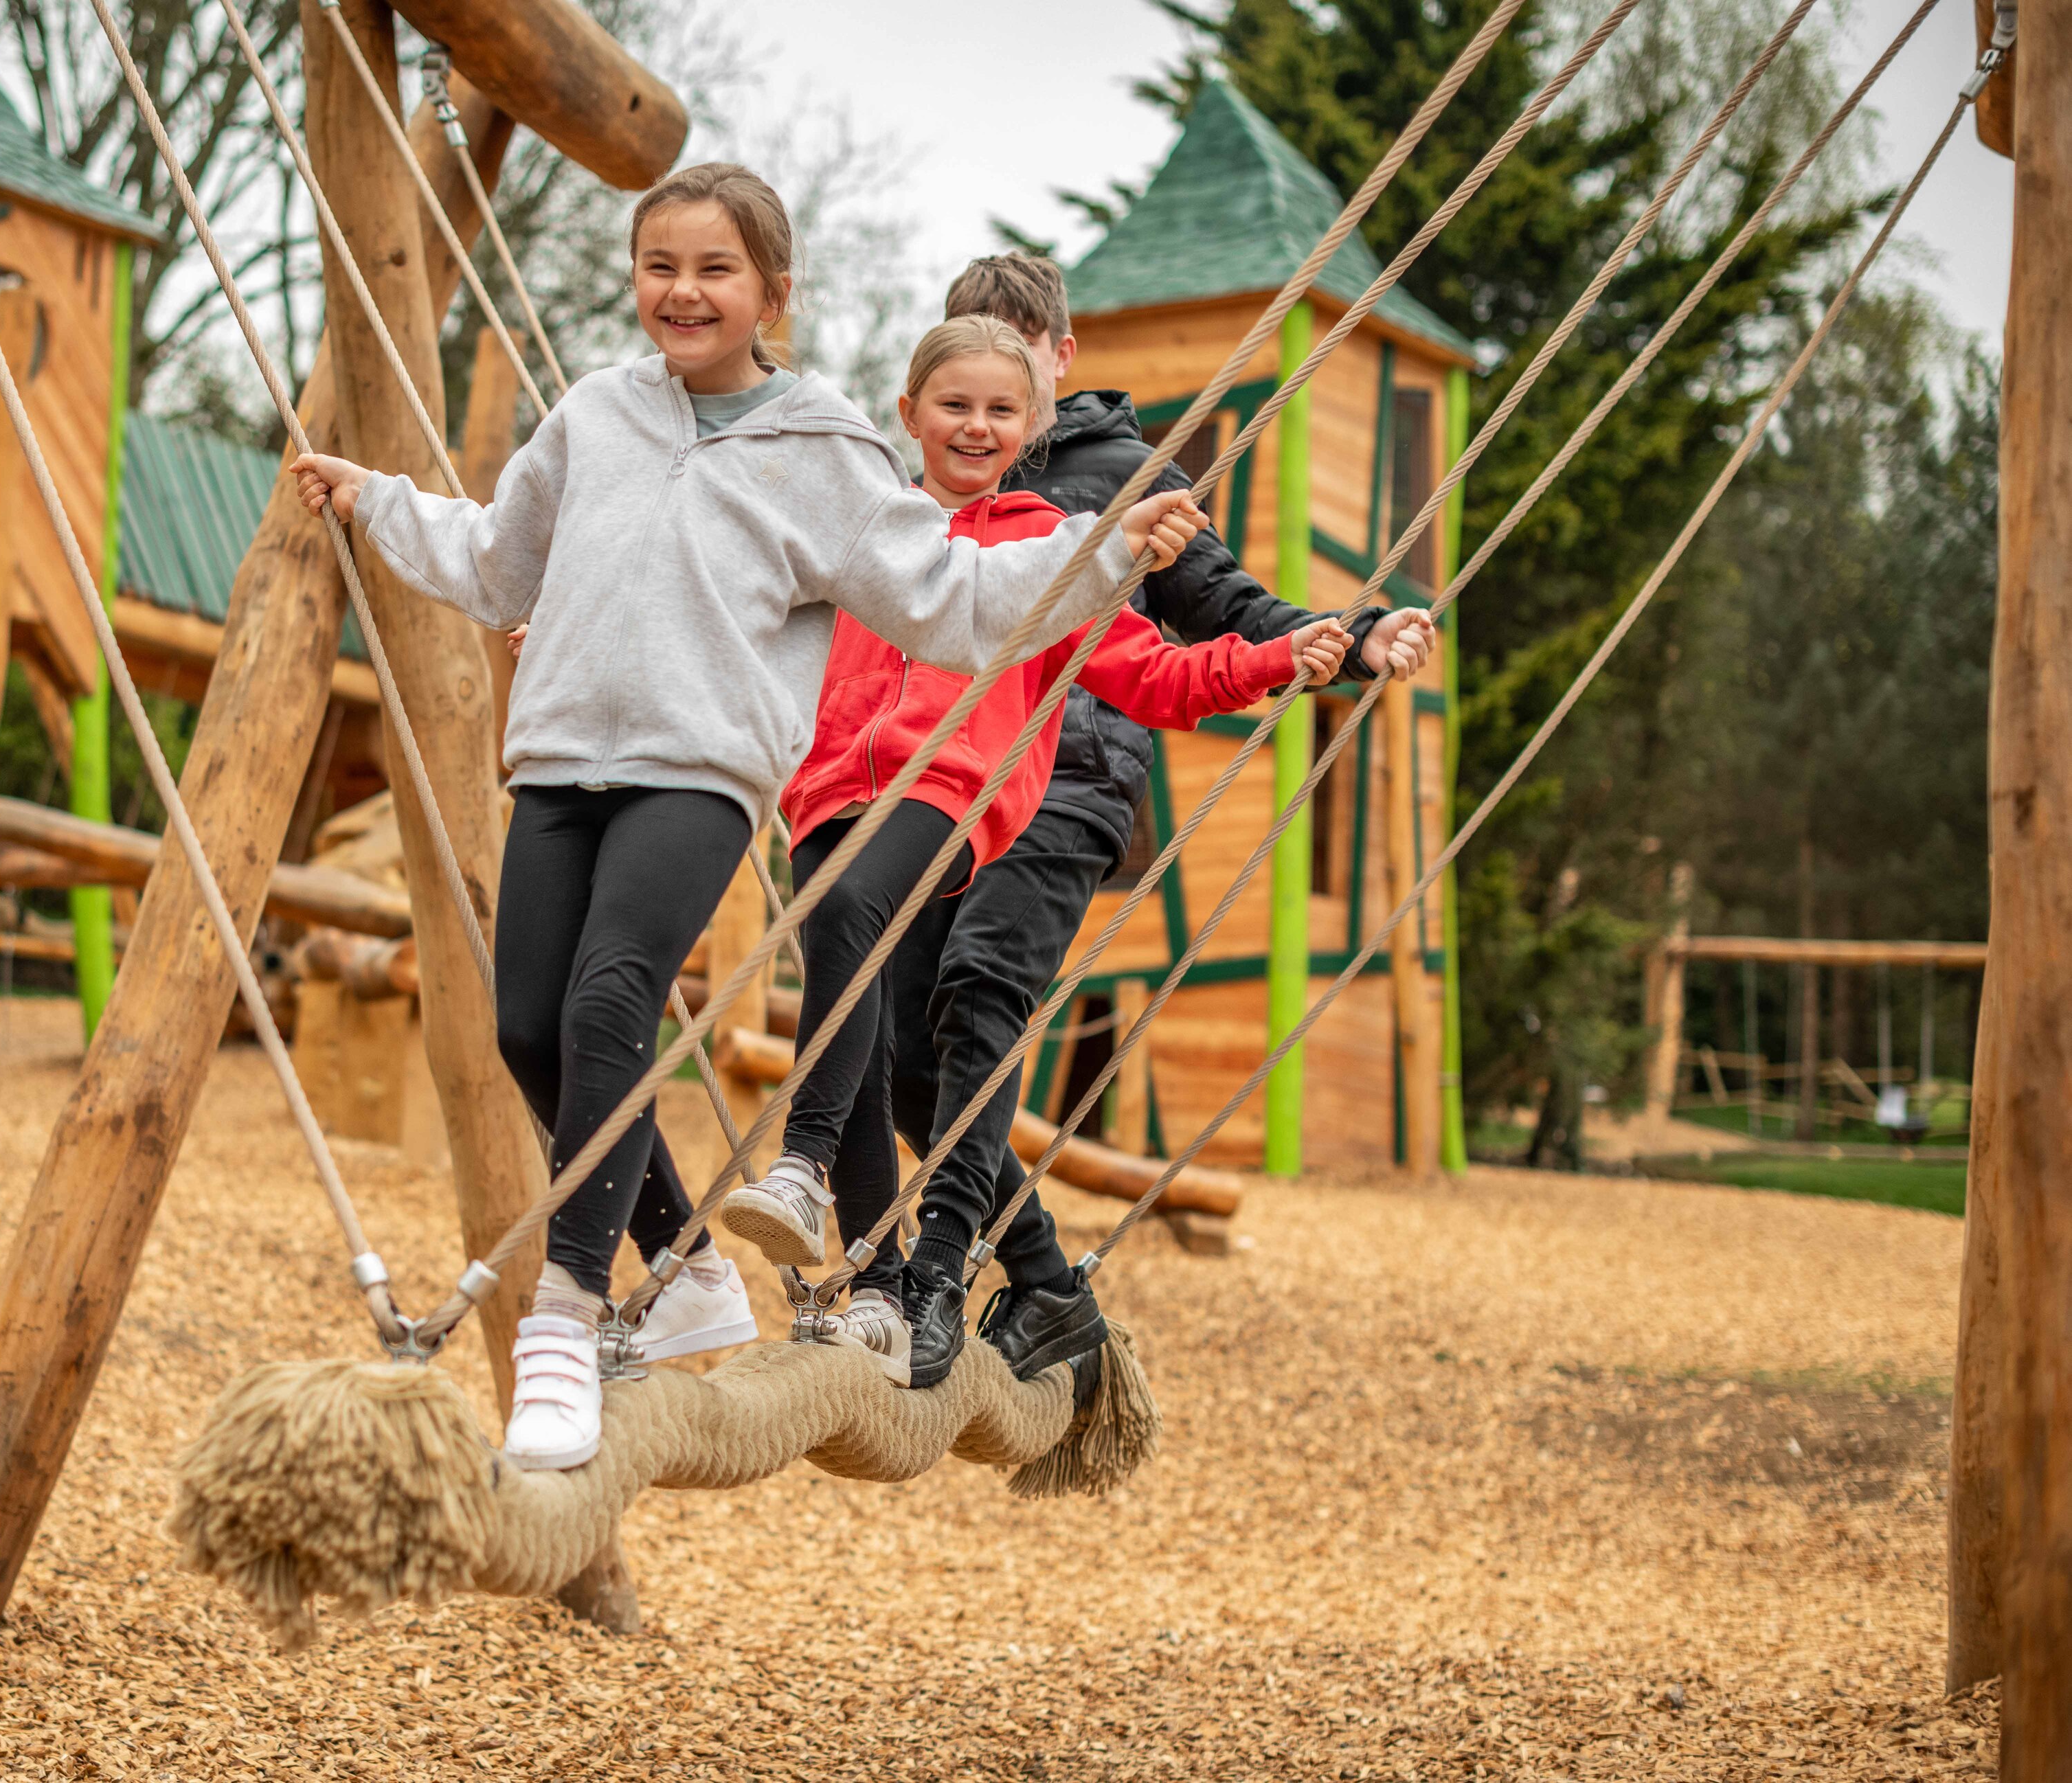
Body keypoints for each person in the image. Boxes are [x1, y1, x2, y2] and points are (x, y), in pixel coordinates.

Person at [289, 168, 1207, 1470]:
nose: (684, 291)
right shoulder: (596, 414)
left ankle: (568, 1316)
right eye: (660, 265)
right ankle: (685, 1263)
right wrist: (375, 497)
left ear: (771, 294)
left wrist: (1110, 552)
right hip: (555, 761)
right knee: (526, 1033)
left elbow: (949, 596)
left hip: (699, 770)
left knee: (613, 1006)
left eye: (715, 269)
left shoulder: (819, 443)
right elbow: (501, 558)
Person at [719, 315, 1349, 1384]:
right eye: (952, 405)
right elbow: (744, 630)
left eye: (999, 410)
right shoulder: (863, 530)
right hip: (828, 794)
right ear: (908, 413)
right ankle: (875, 1289)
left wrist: (1276, 659)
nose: (973, 426)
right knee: (874, 1044)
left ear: (1031, 426)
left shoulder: (1049, 551)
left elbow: (1156, 675)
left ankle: (804, 1164)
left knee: (853, 929)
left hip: (949, 795)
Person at [864, 253, 1435, 1389]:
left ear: (1058, 359)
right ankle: (1044, 1288)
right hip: (941, 777)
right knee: (893, 1048)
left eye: (1016, 362)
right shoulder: (925, 487)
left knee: (981, 989)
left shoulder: (1119, 473)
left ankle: (933, 1274)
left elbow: (1222, 605)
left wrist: (1351, 631)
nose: (989, 397)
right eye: (965, 363)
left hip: (1071, 769)